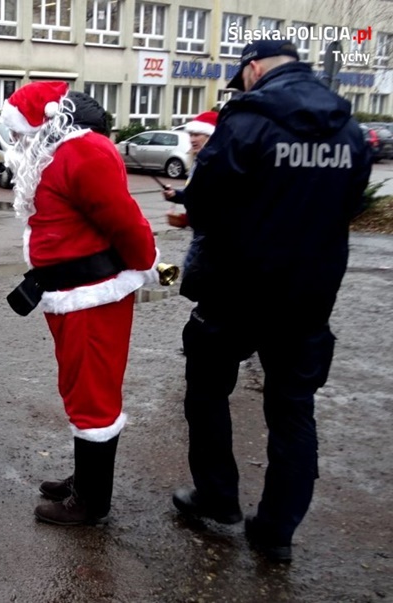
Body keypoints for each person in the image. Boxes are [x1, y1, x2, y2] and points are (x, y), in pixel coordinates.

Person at [171, 40, 371, 563]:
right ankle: (277, 531)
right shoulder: (348, 131)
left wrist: (197, 213)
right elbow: (347, 206)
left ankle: (217, 497)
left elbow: (206, 201)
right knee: (292, 411)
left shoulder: (248, 121)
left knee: (207, 392)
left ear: (253, 69)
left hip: (235, 292)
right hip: (308, 296)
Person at [1, 83, 159, 526]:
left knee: (92, 393)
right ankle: (87, 478)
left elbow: (126, 221)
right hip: (71, 296)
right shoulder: (61, 155)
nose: (17, 141)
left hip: (91, 298)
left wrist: (145, 264)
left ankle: (92, 502)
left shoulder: (84, 153)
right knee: (78, 387)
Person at [162, 111, 217, 272]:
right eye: (190, 135)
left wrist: (185, 219)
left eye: (197, 135)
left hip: (208, 236)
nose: (192, 139)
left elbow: (215, 204)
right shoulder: (199, 162)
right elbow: (195, 196)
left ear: (211, 136)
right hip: (200, 233)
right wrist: (176, 195)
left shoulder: (213, 164)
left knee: (194, 277)